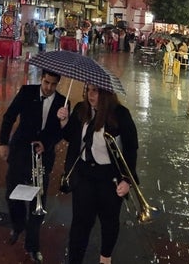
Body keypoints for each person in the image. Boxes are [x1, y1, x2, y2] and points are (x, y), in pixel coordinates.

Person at [56, 84, 139, 264]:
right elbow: (71, 136)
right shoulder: (81, 109)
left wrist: (127, 180)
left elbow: (131, 149)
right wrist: (63, 121)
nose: (90, 95)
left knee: (109, 222)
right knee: (80, 223)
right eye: (88, 90)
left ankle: (105, 257)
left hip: (109, 178)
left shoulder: (120, 115)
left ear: (106, 93)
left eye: (96, 91)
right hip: (84, 175)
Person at [0, 70, 67, 263]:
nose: (49, 88)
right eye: (46, 82)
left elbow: (61, 134)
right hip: (20, 151)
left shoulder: (63, 103)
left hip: (42, 157)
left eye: (53, 84)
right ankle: (18, 225)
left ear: (58, 84)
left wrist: (62, 124)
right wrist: (3, 142)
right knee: (12, 194)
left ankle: (32, 245)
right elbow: (9, 116)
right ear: (41, 79)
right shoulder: (27, 92)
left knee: (38, 204)